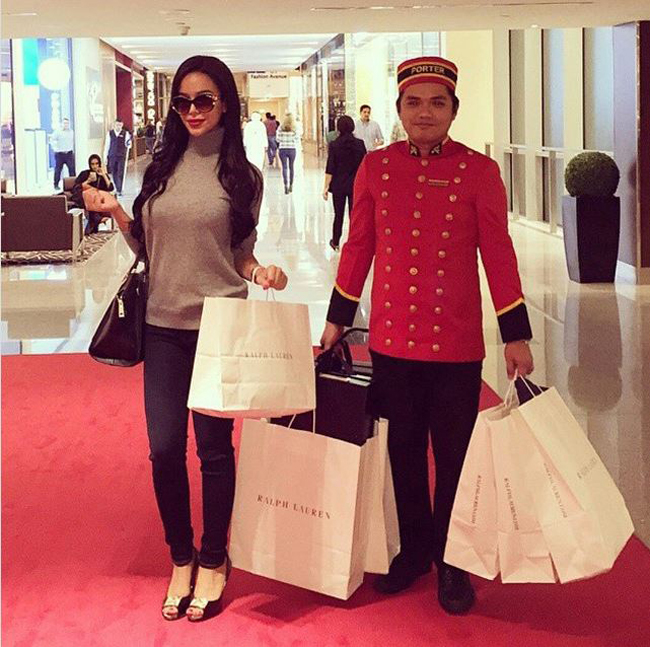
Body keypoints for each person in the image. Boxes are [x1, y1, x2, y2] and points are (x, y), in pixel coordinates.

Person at [320, 56, 534, 615]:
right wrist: (337, 318)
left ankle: (452, 560)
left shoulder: (479, 171)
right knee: (404, 452)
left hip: (456, 345)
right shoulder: (376, 167)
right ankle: (414, 550)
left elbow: (499, 254)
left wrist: (515, 333)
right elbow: (359, 246)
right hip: (392, 342)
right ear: (398, 109)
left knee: (456, 456)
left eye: (438, 102)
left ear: (453, 110)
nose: (425, 112)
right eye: (414, 102)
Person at [83, 55, 288, 623]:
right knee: (165, 448)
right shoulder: (160, 167)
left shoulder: (243, 177)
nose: (192, 111)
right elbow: (149, 250)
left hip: (220, 327)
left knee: (215, 451)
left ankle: (215, 559)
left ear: (225, 104)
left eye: (204, 100)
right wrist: (117, 212)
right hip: (162, 328)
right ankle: (181, 556)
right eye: (183, 102)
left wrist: (261, 272)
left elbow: (240, 254)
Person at [322, 115, 366, 251]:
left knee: (338, 214)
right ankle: (354, 241)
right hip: (356, 185)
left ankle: (335, 242)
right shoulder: (360, 144)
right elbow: (365, 166)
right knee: (354, 215)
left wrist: (325, 187)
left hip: (338, 186)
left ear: (338, 128)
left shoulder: (334, 145)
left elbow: (330, 167)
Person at [71, 154, 114, 234]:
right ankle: (97, 220)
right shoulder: (84, 174)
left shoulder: (101, 176)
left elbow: (110, 188)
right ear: (89, 165)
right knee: (89, 198)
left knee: (92, 200)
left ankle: (93, 224)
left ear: (99, 164)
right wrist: (88, 180)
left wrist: (104, 175)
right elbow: (76, 187)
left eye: (97, 164)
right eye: (92, 164)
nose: (95, 166)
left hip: (97, 199)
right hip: (84, 198)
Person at [103, 119, 132, 196]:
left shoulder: (125, 133)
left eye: (119, 125)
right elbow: (107, 146)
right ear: (114, 125)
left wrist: (129, 144)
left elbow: (129, 145)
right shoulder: (110, 133)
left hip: (121, 156)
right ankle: (117, 186)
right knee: (113, 172)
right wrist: (105, 157)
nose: (118, 126)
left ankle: (119, 189)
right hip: (112, 155)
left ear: (122, 125)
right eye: (117, 125)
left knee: (120, 172)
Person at [50, 118, 75, 191]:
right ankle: (56, 184)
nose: (66, 125)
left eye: (67, 123)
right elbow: (52, 139)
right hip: (60, 154)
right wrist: (55, 149)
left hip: (69, 153)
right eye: (64, 123)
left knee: (72, 169)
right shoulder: (58, 132)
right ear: (62, 124)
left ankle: (73, 184)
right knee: (58, 170)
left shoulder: (71, 132)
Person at [276, 113, 299, 194]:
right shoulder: (294, 128)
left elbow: (278, 139)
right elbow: (297, 139)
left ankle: (285, 185)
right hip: (292, 149)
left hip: (282, 149)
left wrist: (283, 139)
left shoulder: (280, 128)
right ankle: (291, 185)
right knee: (291, 167)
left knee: (284, 167)